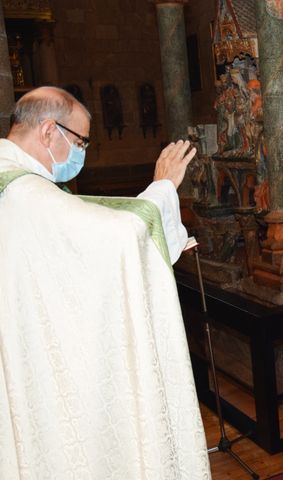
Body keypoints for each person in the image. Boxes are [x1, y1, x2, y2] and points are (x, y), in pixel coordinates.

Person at [0, 87, 210, 478]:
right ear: (48, 131)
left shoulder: (12, 183)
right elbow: (116, 240)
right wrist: (164, 187)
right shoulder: (24, 192)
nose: (82, 151)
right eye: (79, 140)